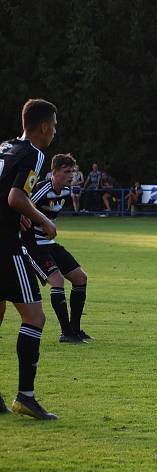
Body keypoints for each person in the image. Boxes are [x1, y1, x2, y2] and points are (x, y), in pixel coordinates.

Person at [0, 98, 60, 419]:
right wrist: (42, 219)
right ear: (43, 126)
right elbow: (15, 196)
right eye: (55, 124)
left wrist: (16, 215)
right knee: (35, 318)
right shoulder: (35, 155)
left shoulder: (5, 147)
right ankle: (25, 396)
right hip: (5, 247)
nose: (55, 131)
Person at [25, 153, 92, 344]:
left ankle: (76, 329)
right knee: (57, 280)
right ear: (54, 172)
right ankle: (66, 333)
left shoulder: (65, 191)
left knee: (81, 278)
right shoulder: (40, 190)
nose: (71, 175)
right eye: (66, 172)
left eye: (72, 171)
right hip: (32, 245)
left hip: (49, 244)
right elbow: (19, 204)